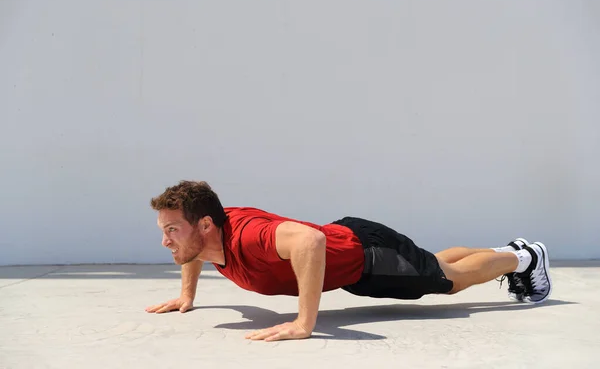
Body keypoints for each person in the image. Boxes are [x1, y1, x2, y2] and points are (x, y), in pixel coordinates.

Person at [145, 180, 552, 342]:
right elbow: (189, 251)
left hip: (367, 257)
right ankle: (507, 251)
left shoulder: (249, 236)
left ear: (204, 226)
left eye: (172, 231)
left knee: (451, 280)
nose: (166, 242)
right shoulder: (208, 234)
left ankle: (524, 258)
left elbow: (310, 240)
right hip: (356, 256)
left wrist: (305, 323)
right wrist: (187, 295)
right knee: (433, 262)